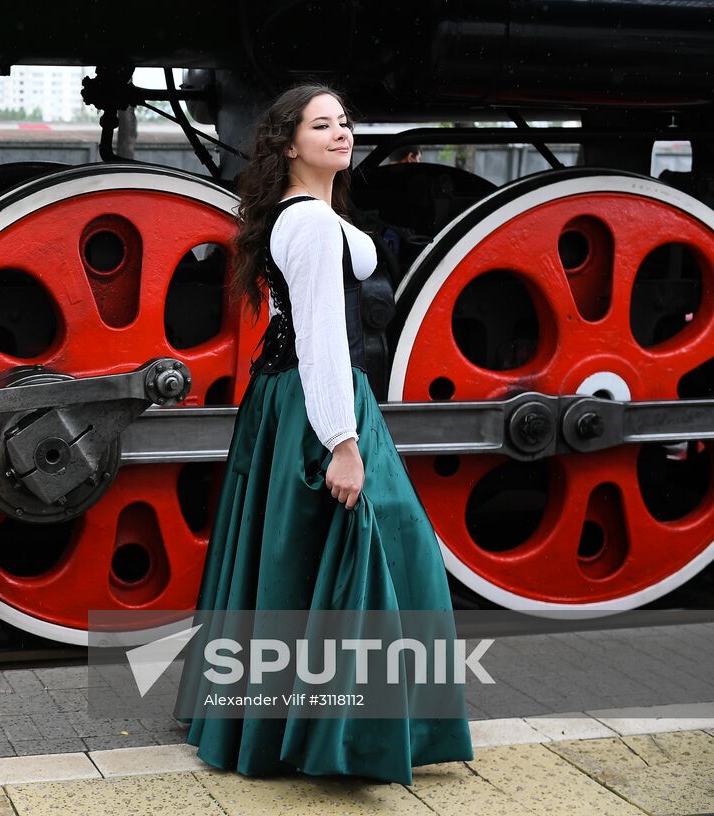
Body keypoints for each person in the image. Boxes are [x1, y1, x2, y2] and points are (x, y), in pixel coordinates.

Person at [175, 84, 473, 785]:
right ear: (287, 144)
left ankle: (290, 728)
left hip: (287, 400)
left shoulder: (305, 216)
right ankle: (346, 738)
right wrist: (342, 440)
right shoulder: (308, 224)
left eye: (344, 123)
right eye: (322, 125)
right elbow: (321, 341)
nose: (341, 134)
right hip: (320, 402)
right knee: (390, 544)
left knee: (295, 555)